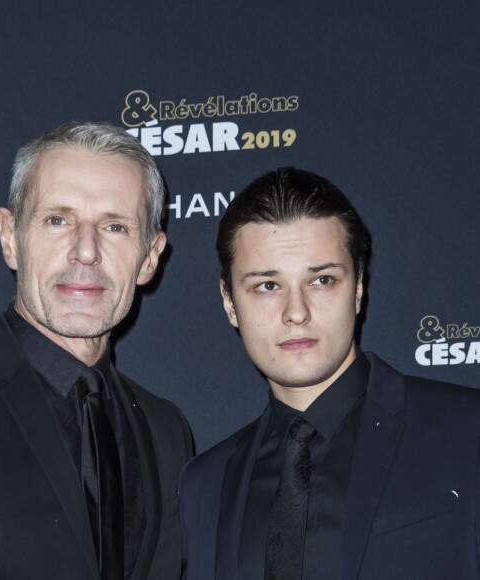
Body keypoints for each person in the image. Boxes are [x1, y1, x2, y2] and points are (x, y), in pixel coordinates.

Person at [0, 122, 193, 580]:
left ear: (150, 257)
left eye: (115, 226)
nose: (86, 251)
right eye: (58, 220)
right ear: (10, 236)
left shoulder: (164, 430)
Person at [179, 167, 480, 580]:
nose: (296, 312)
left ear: (358, 288)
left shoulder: (467, 433)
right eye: (267, 286)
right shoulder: (204, 485)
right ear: (230, 302)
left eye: (321, 280)